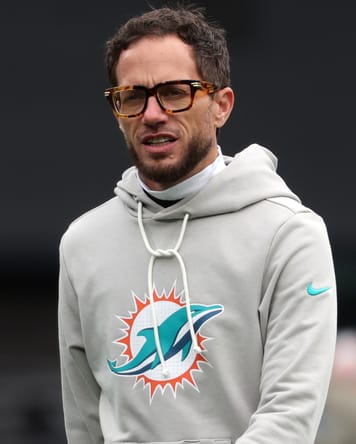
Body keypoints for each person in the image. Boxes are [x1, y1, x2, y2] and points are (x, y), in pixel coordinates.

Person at [57, 5, 337, 444]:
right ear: (117, 112)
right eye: (133, 96)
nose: (152, 114)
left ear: (221, 106)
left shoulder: (290, 235)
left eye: (174, 92)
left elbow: (289, 418)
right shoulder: (82, 243)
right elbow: (85, 422)